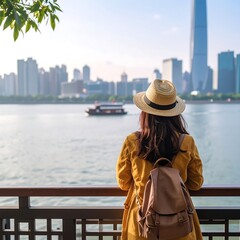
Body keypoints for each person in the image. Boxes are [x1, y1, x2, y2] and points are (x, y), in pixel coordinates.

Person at [116, 79, 203, 240]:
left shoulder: (132, 141)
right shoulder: (187, 142)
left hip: (142, 225)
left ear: (145, 112)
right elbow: (196, 184)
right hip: (180, 226)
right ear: (175, 113)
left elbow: (123, 183)